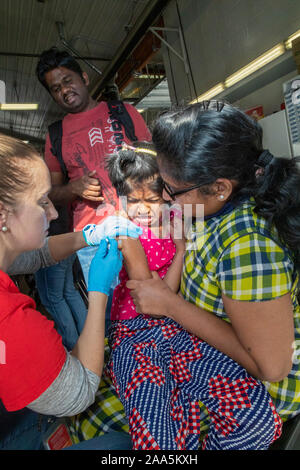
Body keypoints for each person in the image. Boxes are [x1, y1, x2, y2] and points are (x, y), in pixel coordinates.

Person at [126, 101, 300, 440]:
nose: (164, 197)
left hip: (258, 395)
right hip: (209, 351)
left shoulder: (247, 247)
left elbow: (272, 368)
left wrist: (170, 305)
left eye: (171, 190)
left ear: (220, 187)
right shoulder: (211, 211)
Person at [105, 142, 282, 450]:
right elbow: (158, 298)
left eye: (153, 199)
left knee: (252, 410)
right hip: (136, 334)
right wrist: (182, 249)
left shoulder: (177, 219)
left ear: (167, 195)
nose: (144, 209)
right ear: (120, 201)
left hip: (175, 327)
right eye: (133, 201)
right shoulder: (126, 234)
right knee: (157, 432)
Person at [0, 134, 142, 450]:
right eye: (41, 202)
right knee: (119, 446)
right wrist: (98, 293)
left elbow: (35, 255)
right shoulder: (8, 321)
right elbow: (77, 395)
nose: (52, 213)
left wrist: (88, 236)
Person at [35, 47, 151, 286]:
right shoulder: (55, 135)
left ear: (85, 78)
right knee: (109, 313)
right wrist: (73, 188)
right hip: (94, 240)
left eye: (68, 81)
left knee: (157, 298)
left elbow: (157, 164)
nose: (64, 90)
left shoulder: (123, 113)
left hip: (142, 225)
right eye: (56, 89)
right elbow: (51, 193)